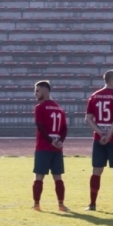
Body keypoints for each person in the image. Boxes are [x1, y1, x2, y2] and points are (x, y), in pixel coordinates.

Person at [85, 69, 113, 211]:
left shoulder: (94, 96)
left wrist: (100, 133)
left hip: (99, 139)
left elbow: (88, 119)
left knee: (96, 171)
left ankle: (92, 204)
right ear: (112, 80)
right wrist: (109, 134)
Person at [32, 80, 69, 212]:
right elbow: (65, 128)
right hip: (57, 149)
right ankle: (61, 205)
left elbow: (40, 127)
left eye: (37, 90)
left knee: (39, 176)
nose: (35, 93)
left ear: (45, 91)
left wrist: (50, 141)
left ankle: (36, 205)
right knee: (58, 177)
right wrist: (60, 141)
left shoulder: (39, 107)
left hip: (43, 147)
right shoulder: (59, 108)